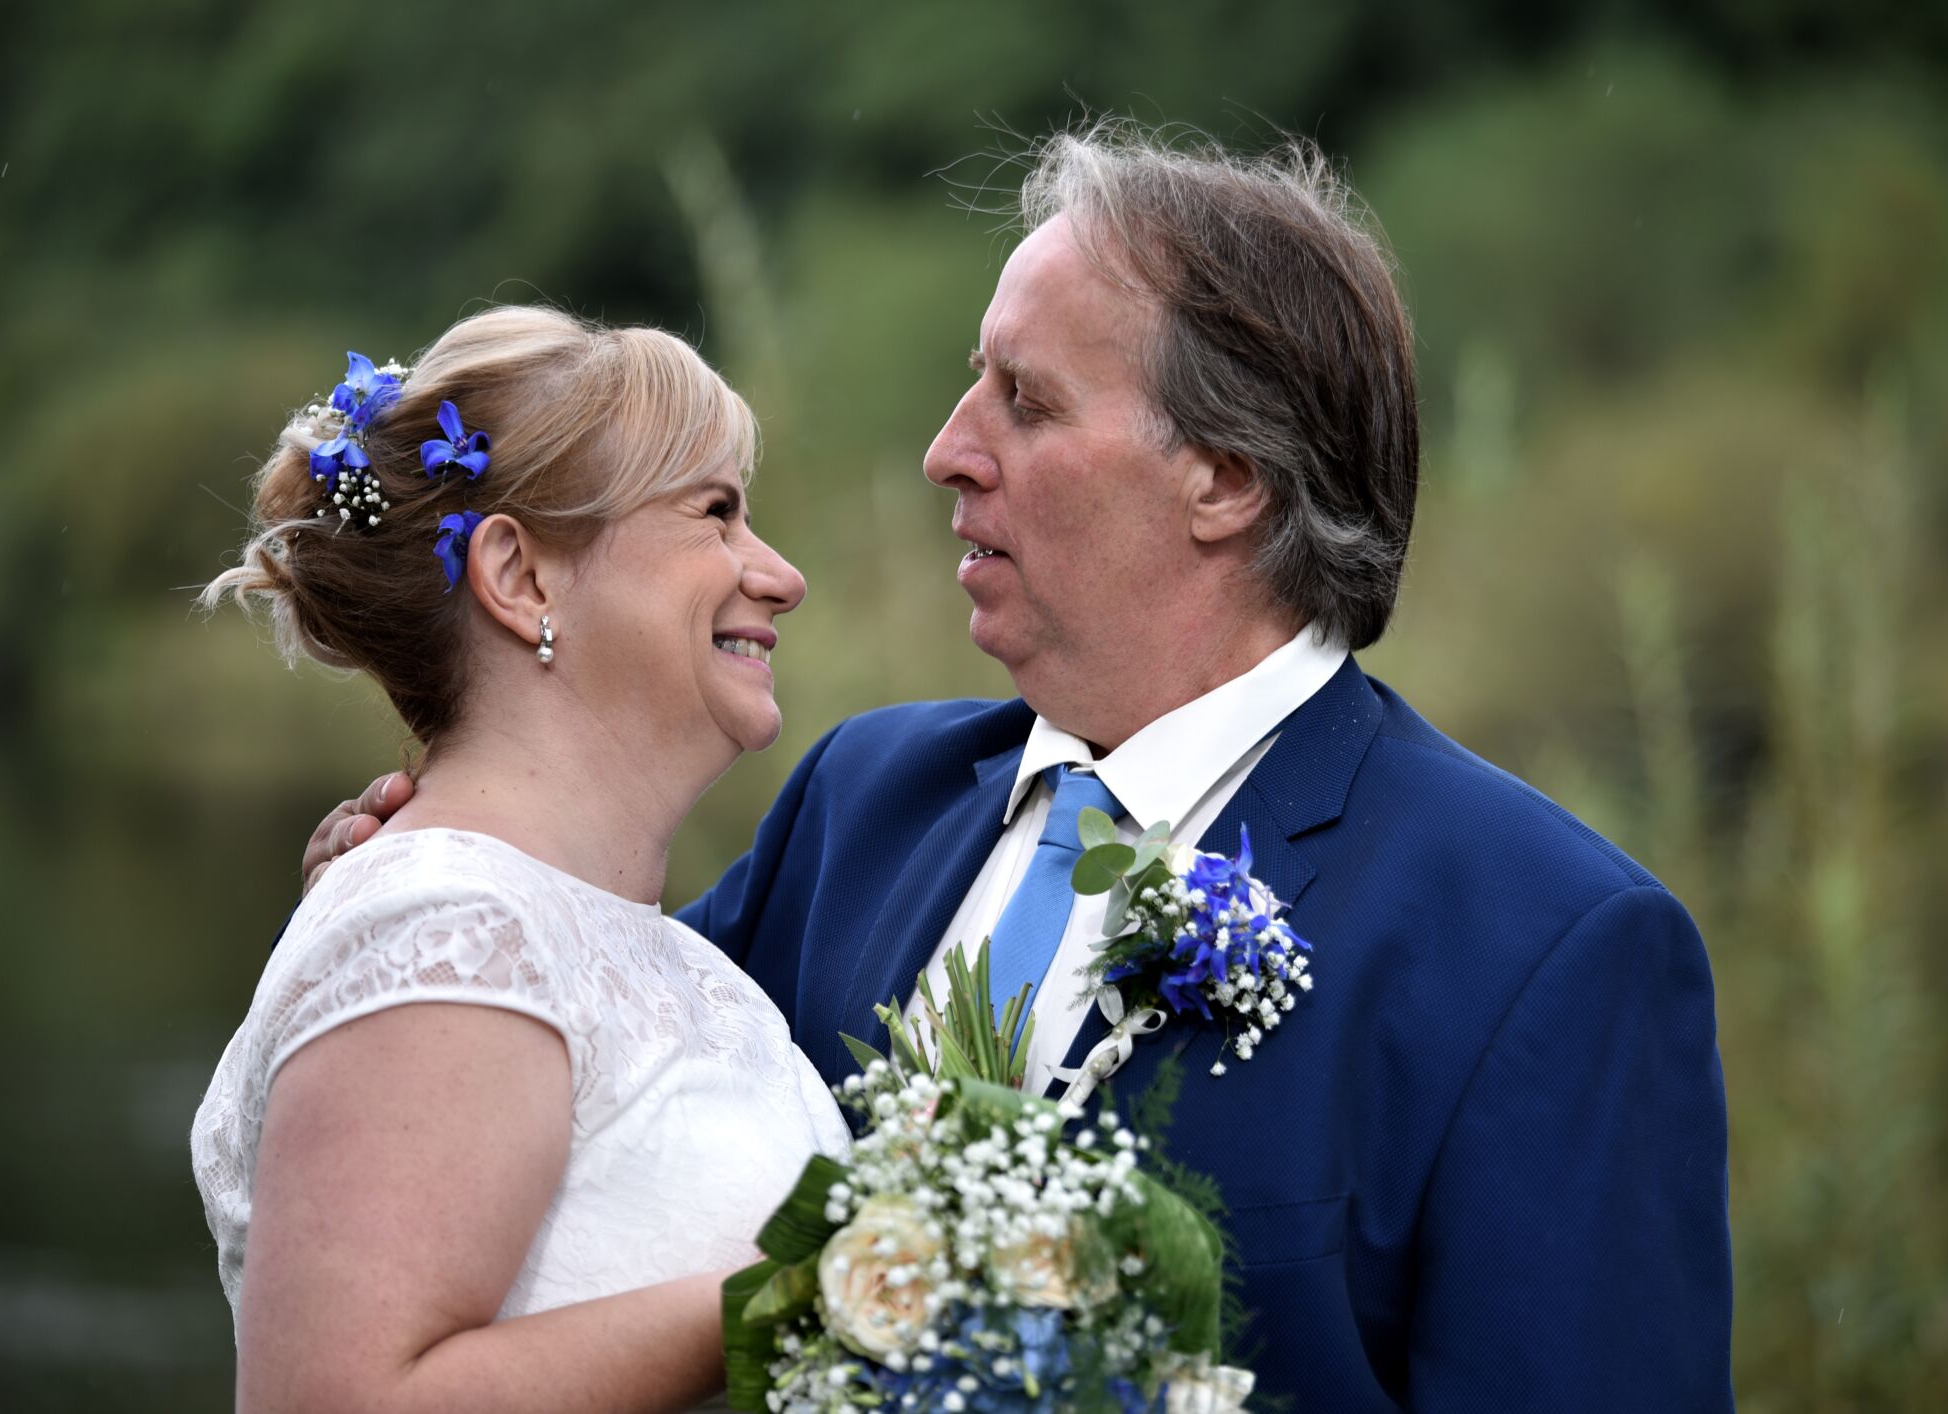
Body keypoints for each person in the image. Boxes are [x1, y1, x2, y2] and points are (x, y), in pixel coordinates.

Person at [310, 125, 1733, 1410]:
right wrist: (449, 872)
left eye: (1025, 402)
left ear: (1225, 477)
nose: (946, 451)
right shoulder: (857, 804)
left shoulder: (1546, 951)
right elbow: (570, 1093)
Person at [194, 307, 849, 1414]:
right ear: (521, 576)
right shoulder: (444, 932)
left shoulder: (640, 951)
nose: (780, 576)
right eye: (715, 513)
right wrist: (810, 1295)